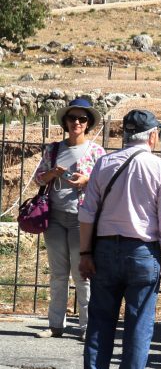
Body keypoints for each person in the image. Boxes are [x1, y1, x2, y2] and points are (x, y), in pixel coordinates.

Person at [78, 109, 161, 369]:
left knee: (100, 320)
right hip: (142, 252)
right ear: (153, 136)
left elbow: (87, 213)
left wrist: (85, 252)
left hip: (104, 249)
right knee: (139, 324)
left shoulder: (103, 163)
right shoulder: (159, 167)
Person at [31, 97, 106, 339]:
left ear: (88, 123)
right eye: (72, 118)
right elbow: (38, 179)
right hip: (54, 216)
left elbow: (105, 184)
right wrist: (52, 173)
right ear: (65, 121)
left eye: (82, 119)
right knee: (58, 273)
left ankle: (87, 326)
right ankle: (55, 325)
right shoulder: (53, 149)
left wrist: (87, 181)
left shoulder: (96, 151)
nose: (77, 122)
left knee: (82, 273)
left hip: (81, 219)